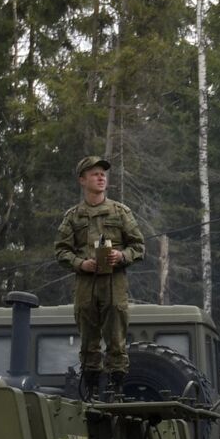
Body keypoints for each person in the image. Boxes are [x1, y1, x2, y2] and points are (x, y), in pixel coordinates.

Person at [52, 155, 147, 401]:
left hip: (114, 281)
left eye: (103, 173)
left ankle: (116, 389)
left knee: (116, 335)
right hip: (86, 281)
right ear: (82, 180)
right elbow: (61, 251)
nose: (101, 177)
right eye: (95, 173)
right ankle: (91, 390)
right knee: (88, 337)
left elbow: (139, 246)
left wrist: (121, 256)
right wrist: (81, 263)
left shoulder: (120, 212)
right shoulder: (73, 216)